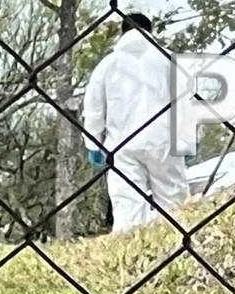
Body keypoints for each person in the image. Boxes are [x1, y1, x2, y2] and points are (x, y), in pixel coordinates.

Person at [83, 12, 194, 232]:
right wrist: (188, 140)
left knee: (127, 209)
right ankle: (174, 248)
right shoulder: (170, 60)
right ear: (149, 31)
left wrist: (93, 145)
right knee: (174, 206)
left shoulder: (107, 65)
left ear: (122, 33)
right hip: (165, 141)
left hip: (122, 146)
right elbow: (186, 104)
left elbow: (94, 110)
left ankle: (132, 257)